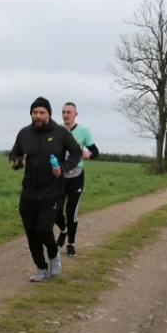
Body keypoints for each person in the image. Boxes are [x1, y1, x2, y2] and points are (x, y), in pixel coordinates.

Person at [8, 97, 83, 282]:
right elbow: (13, 155)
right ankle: (41, 268)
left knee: (43, 229)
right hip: (28, 192)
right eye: (35, 112)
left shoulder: (60, 133)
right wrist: (18, 162)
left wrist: (64, 168)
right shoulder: (24, 133)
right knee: (31, 234)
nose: (38, 116)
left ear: (48, 113)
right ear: (31, 114)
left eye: (42, 112)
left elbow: (76, 152)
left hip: (52, 192)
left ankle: (53, 255)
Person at [54, 102, 99, 257]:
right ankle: (63, 230)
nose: (65, 115)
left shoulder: (83, 131)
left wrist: (89, 154)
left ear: (75, 114)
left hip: (76, 176)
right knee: (55, 210)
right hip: (60, 175)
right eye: (63, 112)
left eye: (68, 112)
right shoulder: (57, 130)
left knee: (71, 212)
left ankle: (71, 244)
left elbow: (95, 151)